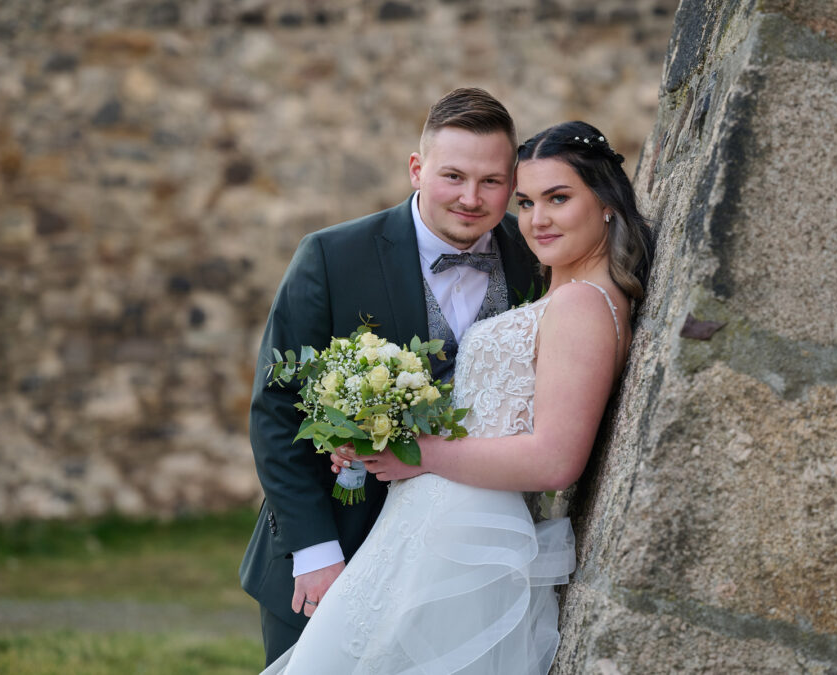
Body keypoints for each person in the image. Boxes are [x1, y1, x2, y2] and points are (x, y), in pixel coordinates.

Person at [263, 120, 654, 674]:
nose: (536, 220)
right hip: (428, 524)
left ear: (608, 204)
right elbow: (278, 408)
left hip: (465, 534)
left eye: (559, 199)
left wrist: (418, 454)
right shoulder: (564, 289)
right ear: (418, 170)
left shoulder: (580, 304)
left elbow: (556, 458)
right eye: (527, 201)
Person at [239, 87, 542, 666]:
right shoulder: (331, 256)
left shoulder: (535, 257)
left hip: (470, 554)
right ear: (416, 169)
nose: (471, 199)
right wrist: (315, 550)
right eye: (452, 176)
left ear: (513, 182)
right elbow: (278, 412)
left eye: (492, 182)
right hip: (339, 545)